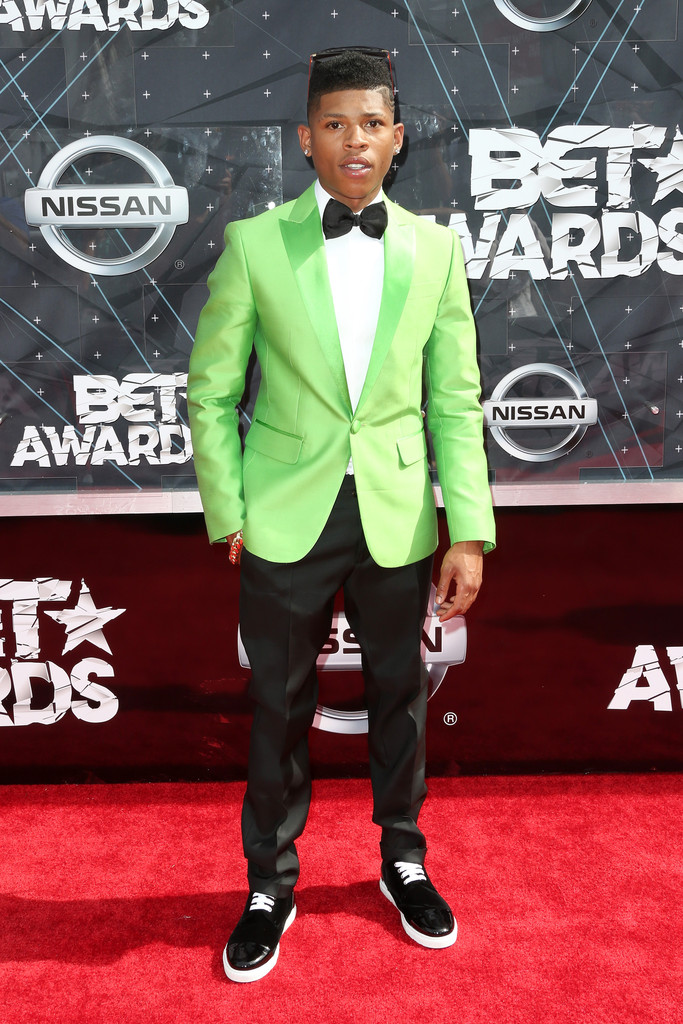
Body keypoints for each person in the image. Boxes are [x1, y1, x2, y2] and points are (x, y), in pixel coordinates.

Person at [187, 46, 495, 983]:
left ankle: (403, 860)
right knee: (277, 707)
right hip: (285, 511)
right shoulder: (255, 244)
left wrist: (468, 528)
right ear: (304, 138)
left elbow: (454, 400)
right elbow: (211, 392)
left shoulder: (436, 250)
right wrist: (228, 510)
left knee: (400, 698)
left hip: (397, 511)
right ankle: (268, 884)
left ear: (396, 138)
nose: (353, 140)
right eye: (334, 124)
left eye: (369, 124)